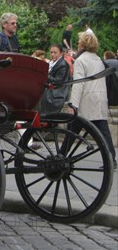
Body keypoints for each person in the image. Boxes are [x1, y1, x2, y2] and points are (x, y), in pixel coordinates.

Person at [69, 31, 116, 169]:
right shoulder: (98, 59)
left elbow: (78, 84)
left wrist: (73, 104)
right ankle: (111, 158)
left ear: (83, 44)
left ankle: (62, 155)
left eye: (79, 42)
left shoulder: (81, 61)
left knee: (72, 130)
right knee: (103, 131)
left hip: (86, 100)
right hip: (100, 99)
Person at [40, 44, 70, 115]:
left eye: (55, 52)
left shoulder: (63, 64)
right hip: (52, 91)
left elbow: (58, 81)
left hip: (57, 94)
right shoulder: (52, 63)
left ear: (61, 53)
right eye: (51, 52)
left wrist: (45, 74)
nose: (52, 54)